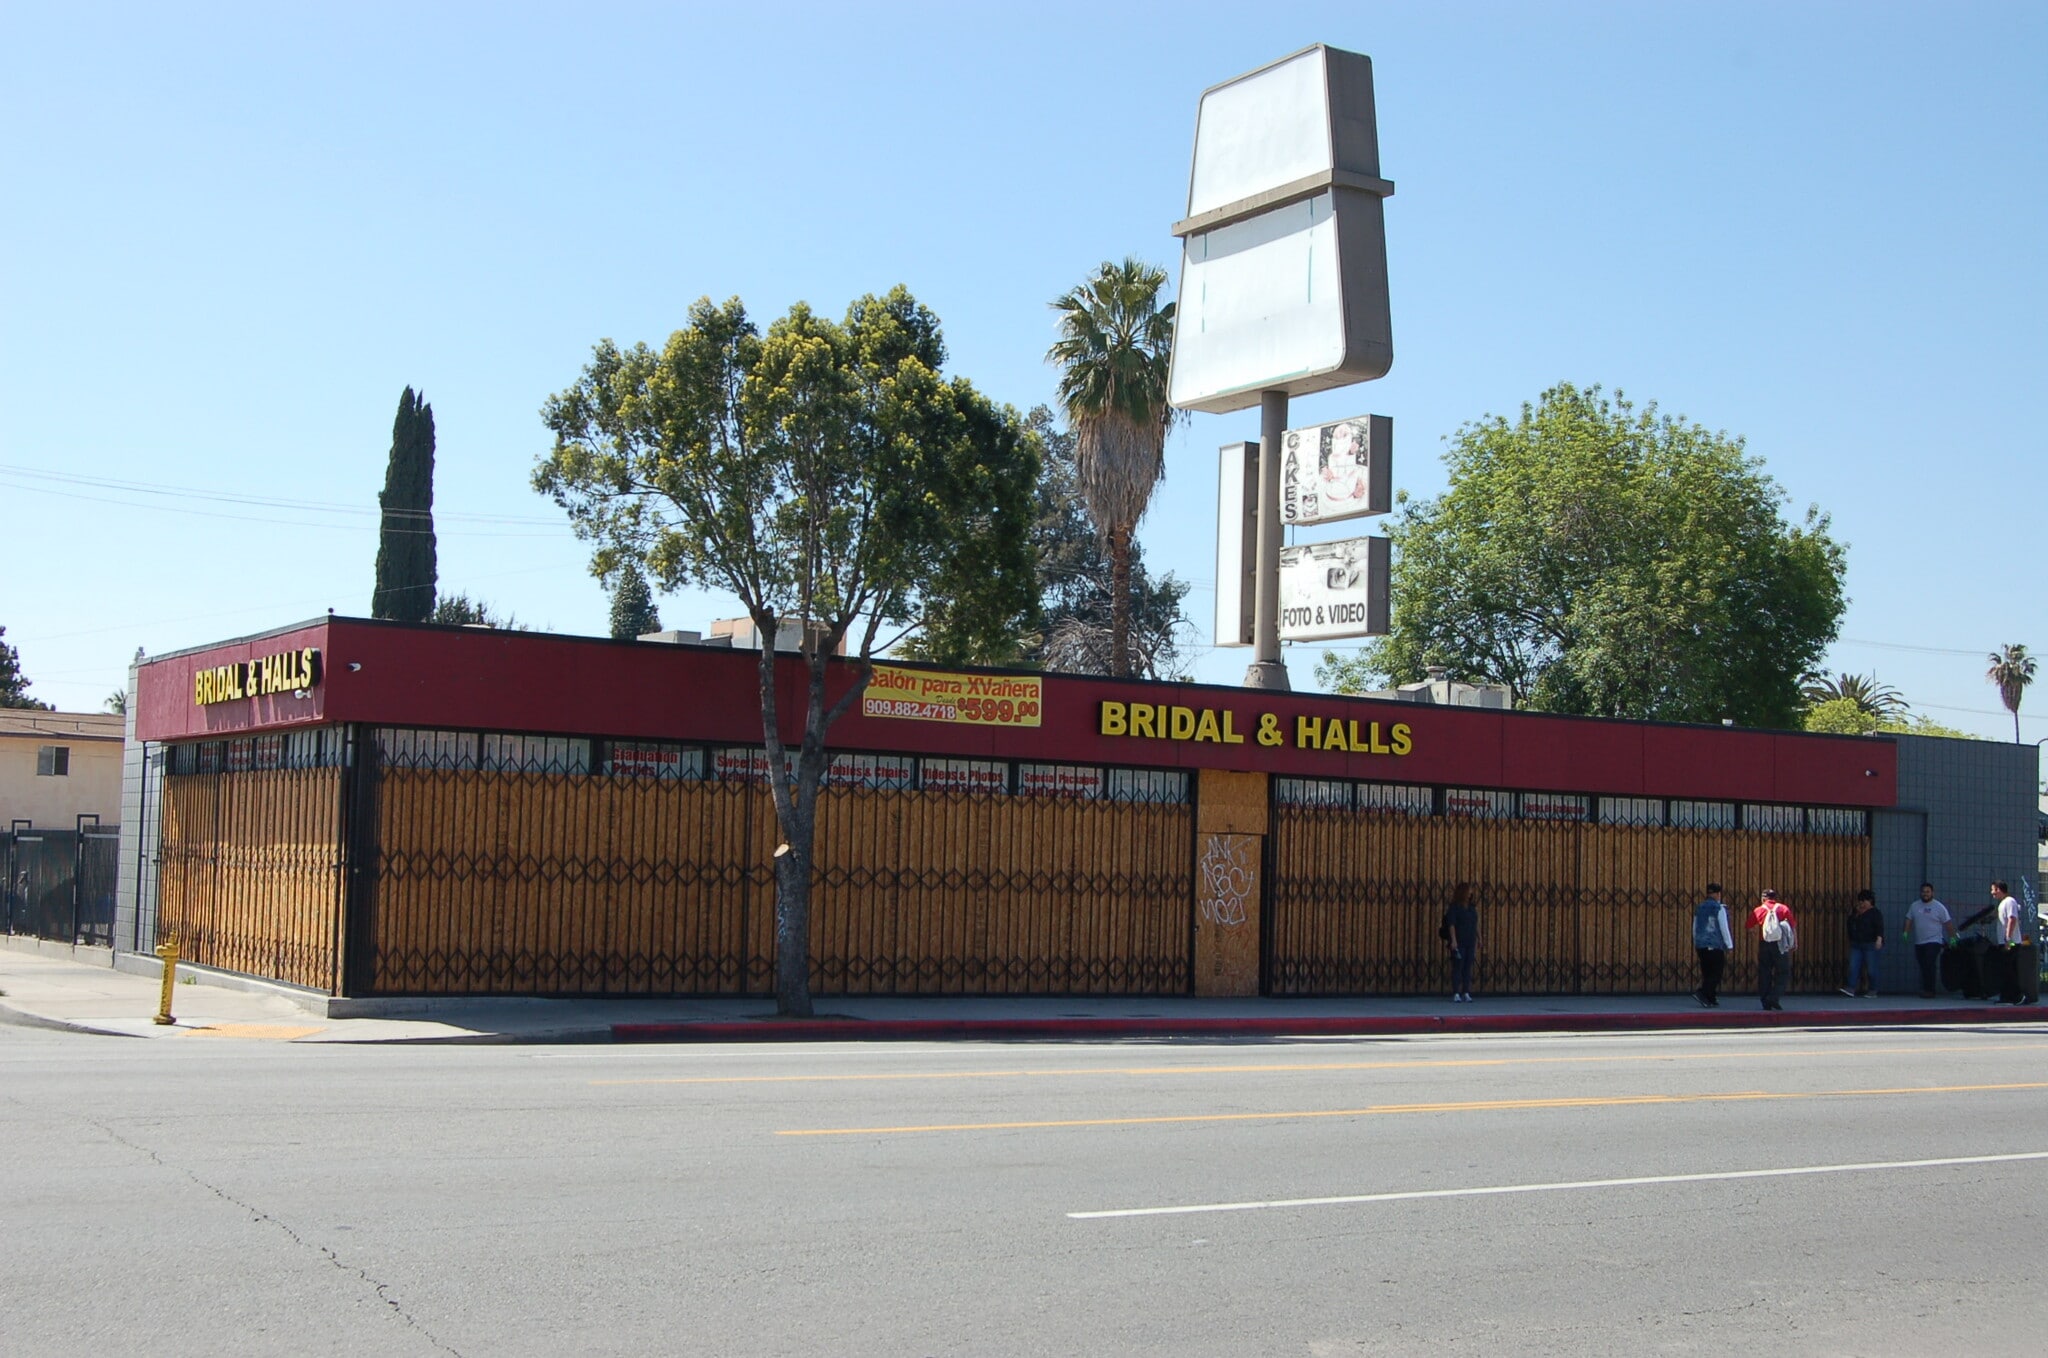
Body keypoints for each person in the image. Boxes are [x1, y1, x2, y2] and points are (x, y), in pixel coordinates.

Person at [1746, 888, 1796, 1011]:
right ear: (1775, 898)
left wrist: (1755, 934)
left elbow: (1749, 926)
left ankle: (1765, 1001)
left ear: (1763, 899)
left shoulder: (1759, 910)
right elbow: (1792, 926)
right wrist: (1794, 942)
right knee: (1783, 972)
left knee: (1764, 972)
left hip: (1764, 944)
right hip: (1780, 944)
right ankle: (1774, 997)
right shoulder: (1783, 909)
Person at [1903, 883, 1952, 998]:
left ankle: (1930, 990)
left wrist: (1953, 937)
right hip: (1919, 942)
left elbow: (1948, 923)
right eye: (1923, 891)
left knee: (1929, 964)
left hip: (1934, 941)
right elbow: (1908, 919)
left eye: (1928, 891)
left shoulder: (1939, 907)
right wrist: (1906, 932)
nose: (1925, 894)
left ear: (1932, 893)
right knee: (1923, 965)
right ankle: (1926, 988)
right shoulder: (1915, 906)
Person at [1992, 880, 2036, 1005]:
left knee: (2010, 970)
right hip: (2005, 942)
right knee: (2005, 970)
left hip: (2010, 943)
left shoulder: (2009, 901)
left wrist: (2008, 939)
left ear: (1999, 889)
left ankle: (2016, 997)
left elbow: (2012, 919)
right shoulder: (2002, 903)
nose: (1992, 893)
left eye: (1993, 890)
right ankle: (2006, 997)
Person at [1691, 882, 1733, 1007]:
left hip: (1701, 945)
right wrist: (1729, 945)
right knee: (1716, 973)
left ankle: (1711, 997)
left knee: (1707, 972)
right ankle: (1703, 993)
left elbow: (1695, 926)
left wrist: (1696, 941)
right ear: (1717, 894)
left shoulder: (1700, 907)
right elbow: (1724, 927)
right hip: (1714, 945)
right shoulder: (1719, 908)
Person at [1841, 889, 1884, 996]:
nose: (1861, 903)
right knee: (1853, 966)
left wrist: (1879, 939)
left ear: (1870, 901)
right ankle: (1851, 987)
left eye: (1864, 901)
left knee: (1871, 969)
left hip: (1870, 944)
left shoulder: (1875, 913)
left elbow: (1879, 927)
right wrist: (1855, 914)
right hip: (1857, 944)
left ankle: (1873, 989)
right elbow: (1850, 924)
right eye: (1860, 901)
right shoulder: (1856, 913)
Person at [1442, 882, 1479, 1003]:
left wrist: (1479, 939)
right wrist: (1453, 940)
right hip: (1460, 941)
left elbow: (1475, 924)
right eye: (1469, 890)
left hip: (1470, 940)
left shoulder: (1471, 908)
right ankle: (1456, 992)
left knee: (1467, 967)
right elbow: (1451, 924)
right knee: (1458, 966)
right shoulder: (1455, 907)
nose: (1471, 893)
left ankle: (1466, 992)